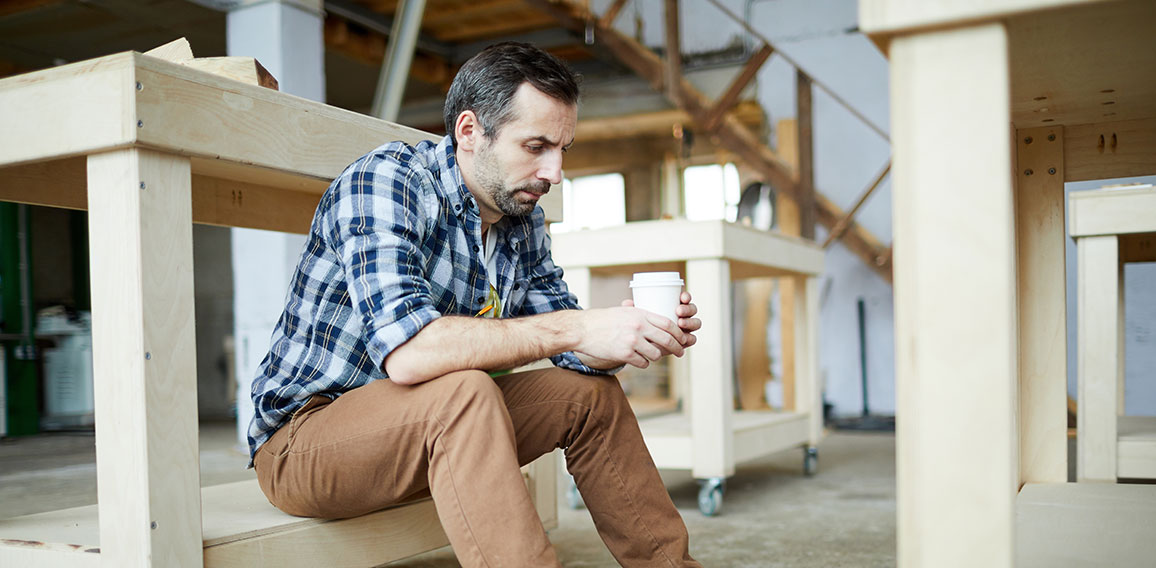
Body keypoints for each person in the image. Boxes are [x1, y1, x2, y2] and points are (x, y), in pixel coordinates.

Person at [247, 42, 704, 567]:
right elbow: (411, 354)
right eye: (536, 146)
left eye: (563, 150)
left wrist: (625, 331)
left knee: (590, 397)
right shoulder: (387, 182)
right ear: (469, 132)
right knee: (463, 390)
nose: (554, 173)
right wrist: (575, 329)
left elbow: (573, 349)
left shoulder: (520, 216)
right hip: (305, 442)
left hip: (432, 430)